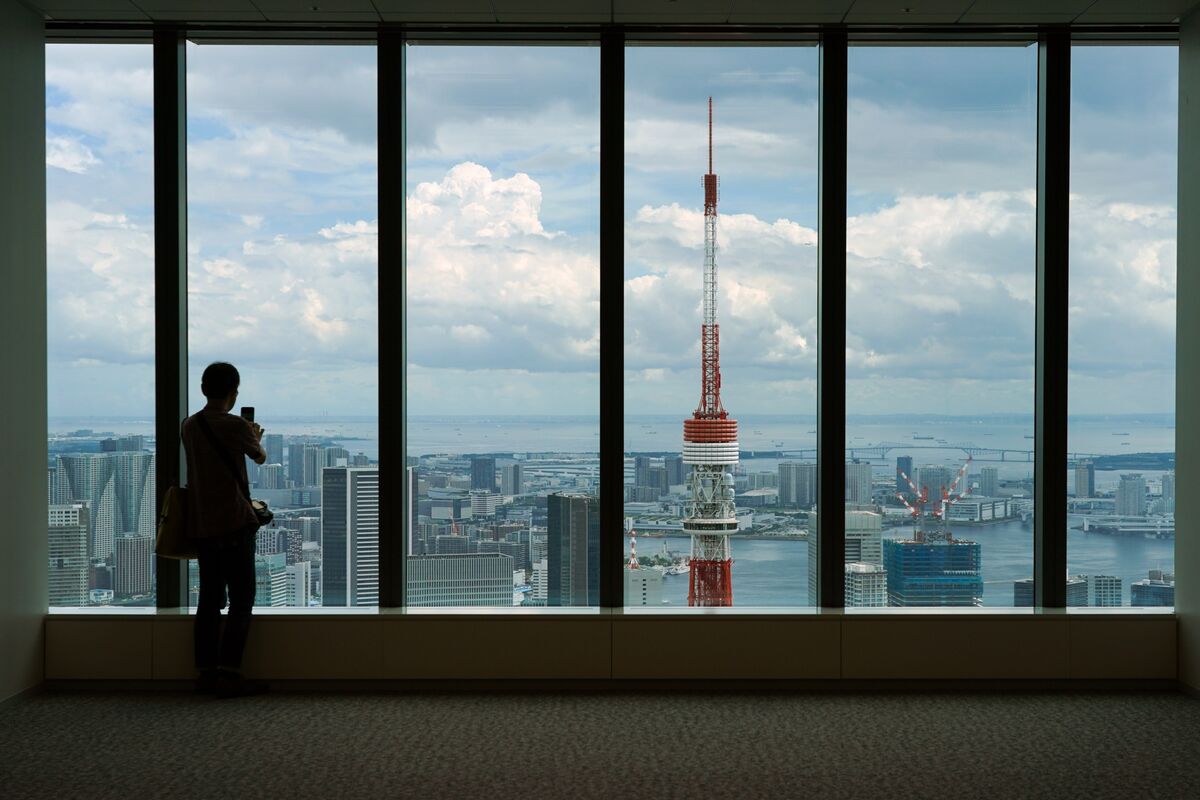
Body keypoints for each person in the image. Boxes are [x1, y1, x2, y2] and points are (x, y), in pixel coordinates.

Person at [182, 362, 268, 698]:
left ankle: (205, 673)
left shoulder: (189, 425)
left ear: (204, 389)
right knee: (242, 598)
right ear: (234, 392)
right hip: (234, 521)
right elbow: (258, 457)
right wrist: (255, 435)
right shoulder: (236, 425)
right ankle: (230, 674)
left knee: (208, 599)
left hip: (203, 524)